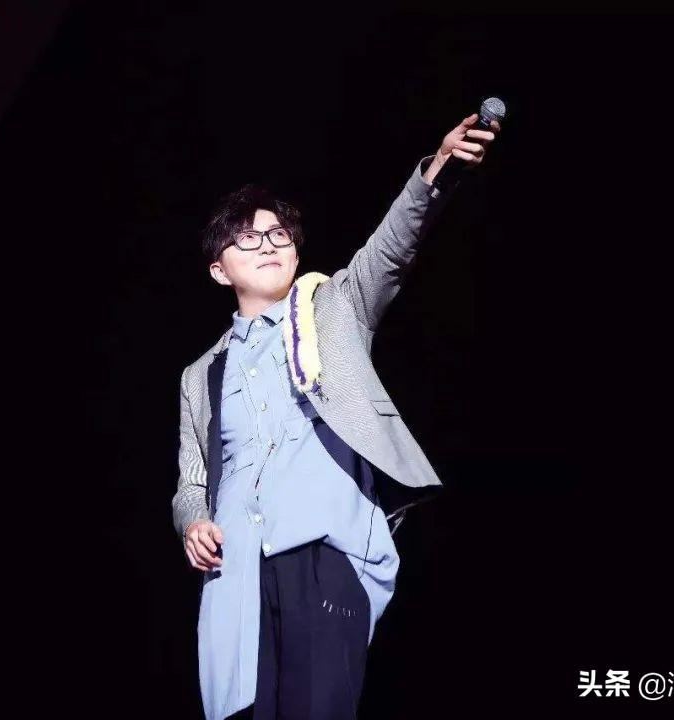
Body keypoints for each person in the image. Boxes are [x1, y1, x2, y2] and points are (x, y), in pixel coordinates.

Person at [172, 113, 500, 720]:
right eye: (247, 238)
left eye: (278, 235)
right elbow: (192, 482)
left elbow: (392, 247)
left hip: (325, 548)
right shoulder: (200, 375)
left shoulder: (334, 306)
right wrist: (193, 522)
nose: (267, 245)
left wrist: (437, 168)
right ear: (219, 269)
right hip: (236, 570)